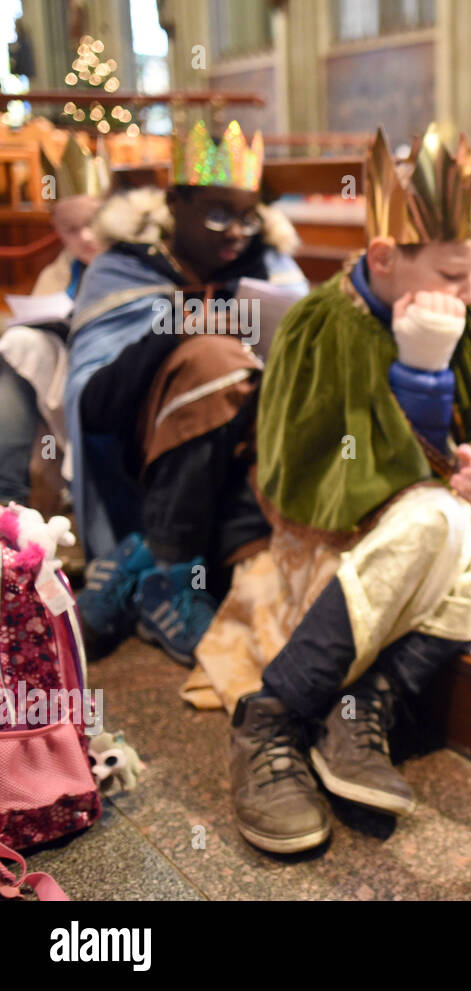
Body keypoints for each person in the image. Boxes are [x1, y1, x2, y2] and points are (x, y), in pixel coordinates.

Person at [183, 124, 471, 855]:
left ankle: (370, 698)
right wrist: (420, 376)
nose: (470, 293)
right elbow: (306, 481)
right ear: (384, 256)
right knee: (434, 516)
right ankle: (274, 716)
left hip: (435, 529)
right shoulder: (323, 322)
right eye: (451, 274)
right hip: (338, 551)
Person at [66, 120, 307, 665]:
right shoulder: (123, 267)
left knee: (234, 371)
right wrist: (184, 322)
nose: (237, 233)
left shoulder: (270, 267)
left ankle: (148, 560)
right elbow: (95, 401)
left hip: (246, 445)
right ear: (176, 203)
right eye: (219, 213)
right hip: (142, 452)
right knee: (212, 358)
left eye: (249, 216)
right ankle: (172, 569)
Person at [0, 138, 108, 507]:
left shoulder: (131, 264)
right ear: (57, 231)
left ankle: (7, 495)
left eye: (92, 224)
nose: (85, 238)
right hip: (61, 361)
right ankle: (8, 501)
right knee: (14, 349)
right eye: (70, 229)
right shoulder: (60, 269)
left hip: (106, 367)